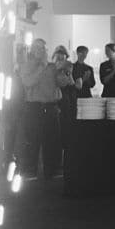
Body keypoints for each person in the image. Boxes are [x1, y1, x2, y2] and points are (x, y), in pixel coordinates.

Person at [19, 38, 74, 179]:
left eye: (43, 48)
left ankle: (53, 170)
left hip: (51, 107)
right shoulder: (26, 66)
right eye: (38, 48)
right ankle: (29, 171)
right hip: (34, 107)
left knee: (53, 140)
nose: (41, 51)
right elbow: (28, 82)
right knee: (32, 139)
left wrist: (66, 71)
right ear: (32, 50)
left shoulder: (52, 67)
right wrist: (42, 67)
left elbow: (62, 84)